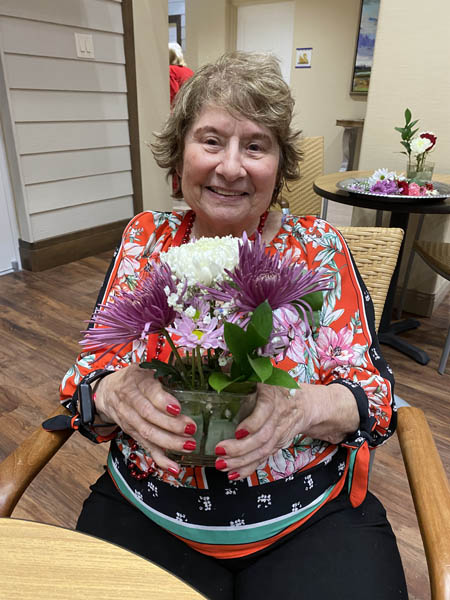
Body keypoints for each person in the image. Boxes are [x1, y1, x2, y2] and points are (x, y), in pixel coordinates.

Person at [58, 52, 407, 599]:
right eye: (212, 140)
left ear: (280, 165)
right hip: (150, 512)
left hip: (306, 518)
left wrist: (303, 407)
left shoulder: (317, 250)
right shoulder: (147, 239)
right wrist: (110, 391)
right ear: (180, 155)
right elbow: (84, 378)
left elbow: (376, 401)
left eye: (256, 145)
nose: (231, 167)